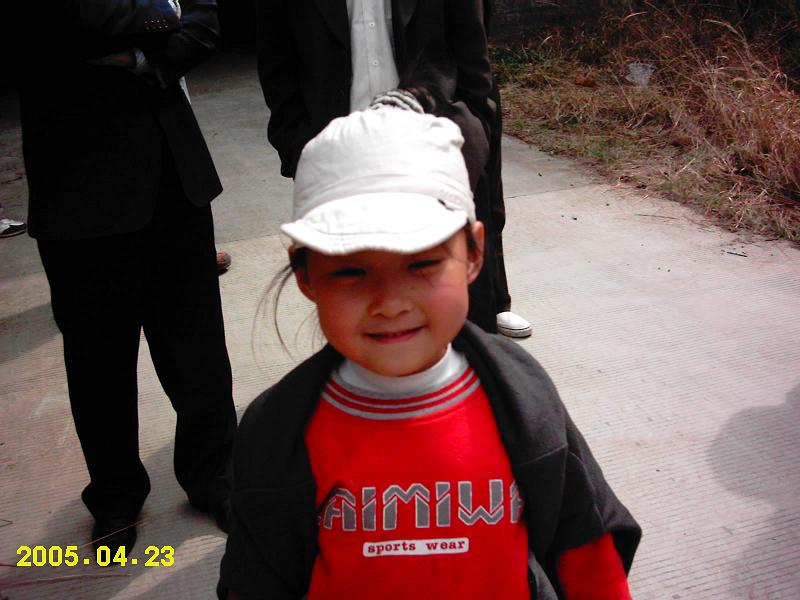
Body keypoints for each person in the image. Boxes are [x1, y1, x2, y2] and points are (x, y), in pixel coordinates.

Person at [217, 107, 640, 599]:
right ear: (305, 274)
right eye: (351, 271)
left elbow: (585, 543)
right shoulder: (276, 433)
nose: (390, 303)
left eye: (421, 263)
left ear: (474, 253)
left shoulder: (524, 399)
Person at [17, 0, 237, 552]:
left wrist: (141, 56)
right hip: (79, 182)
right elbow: (65, 20)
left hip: (174, 171)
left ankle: (215, 474)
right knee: (99, 355)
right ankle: (115, 495)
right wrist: (162, 12)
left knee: (198, 345)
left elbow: (204, 19)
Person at [254, 0, 531, 337]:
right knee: (364, 289)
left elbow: (472, 52)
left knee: (449, 278)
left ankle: (485, 330)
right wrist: (299, 147)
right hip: (343, 158)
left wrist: (472, 129)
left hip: (434, 142)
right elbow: (277, 62)